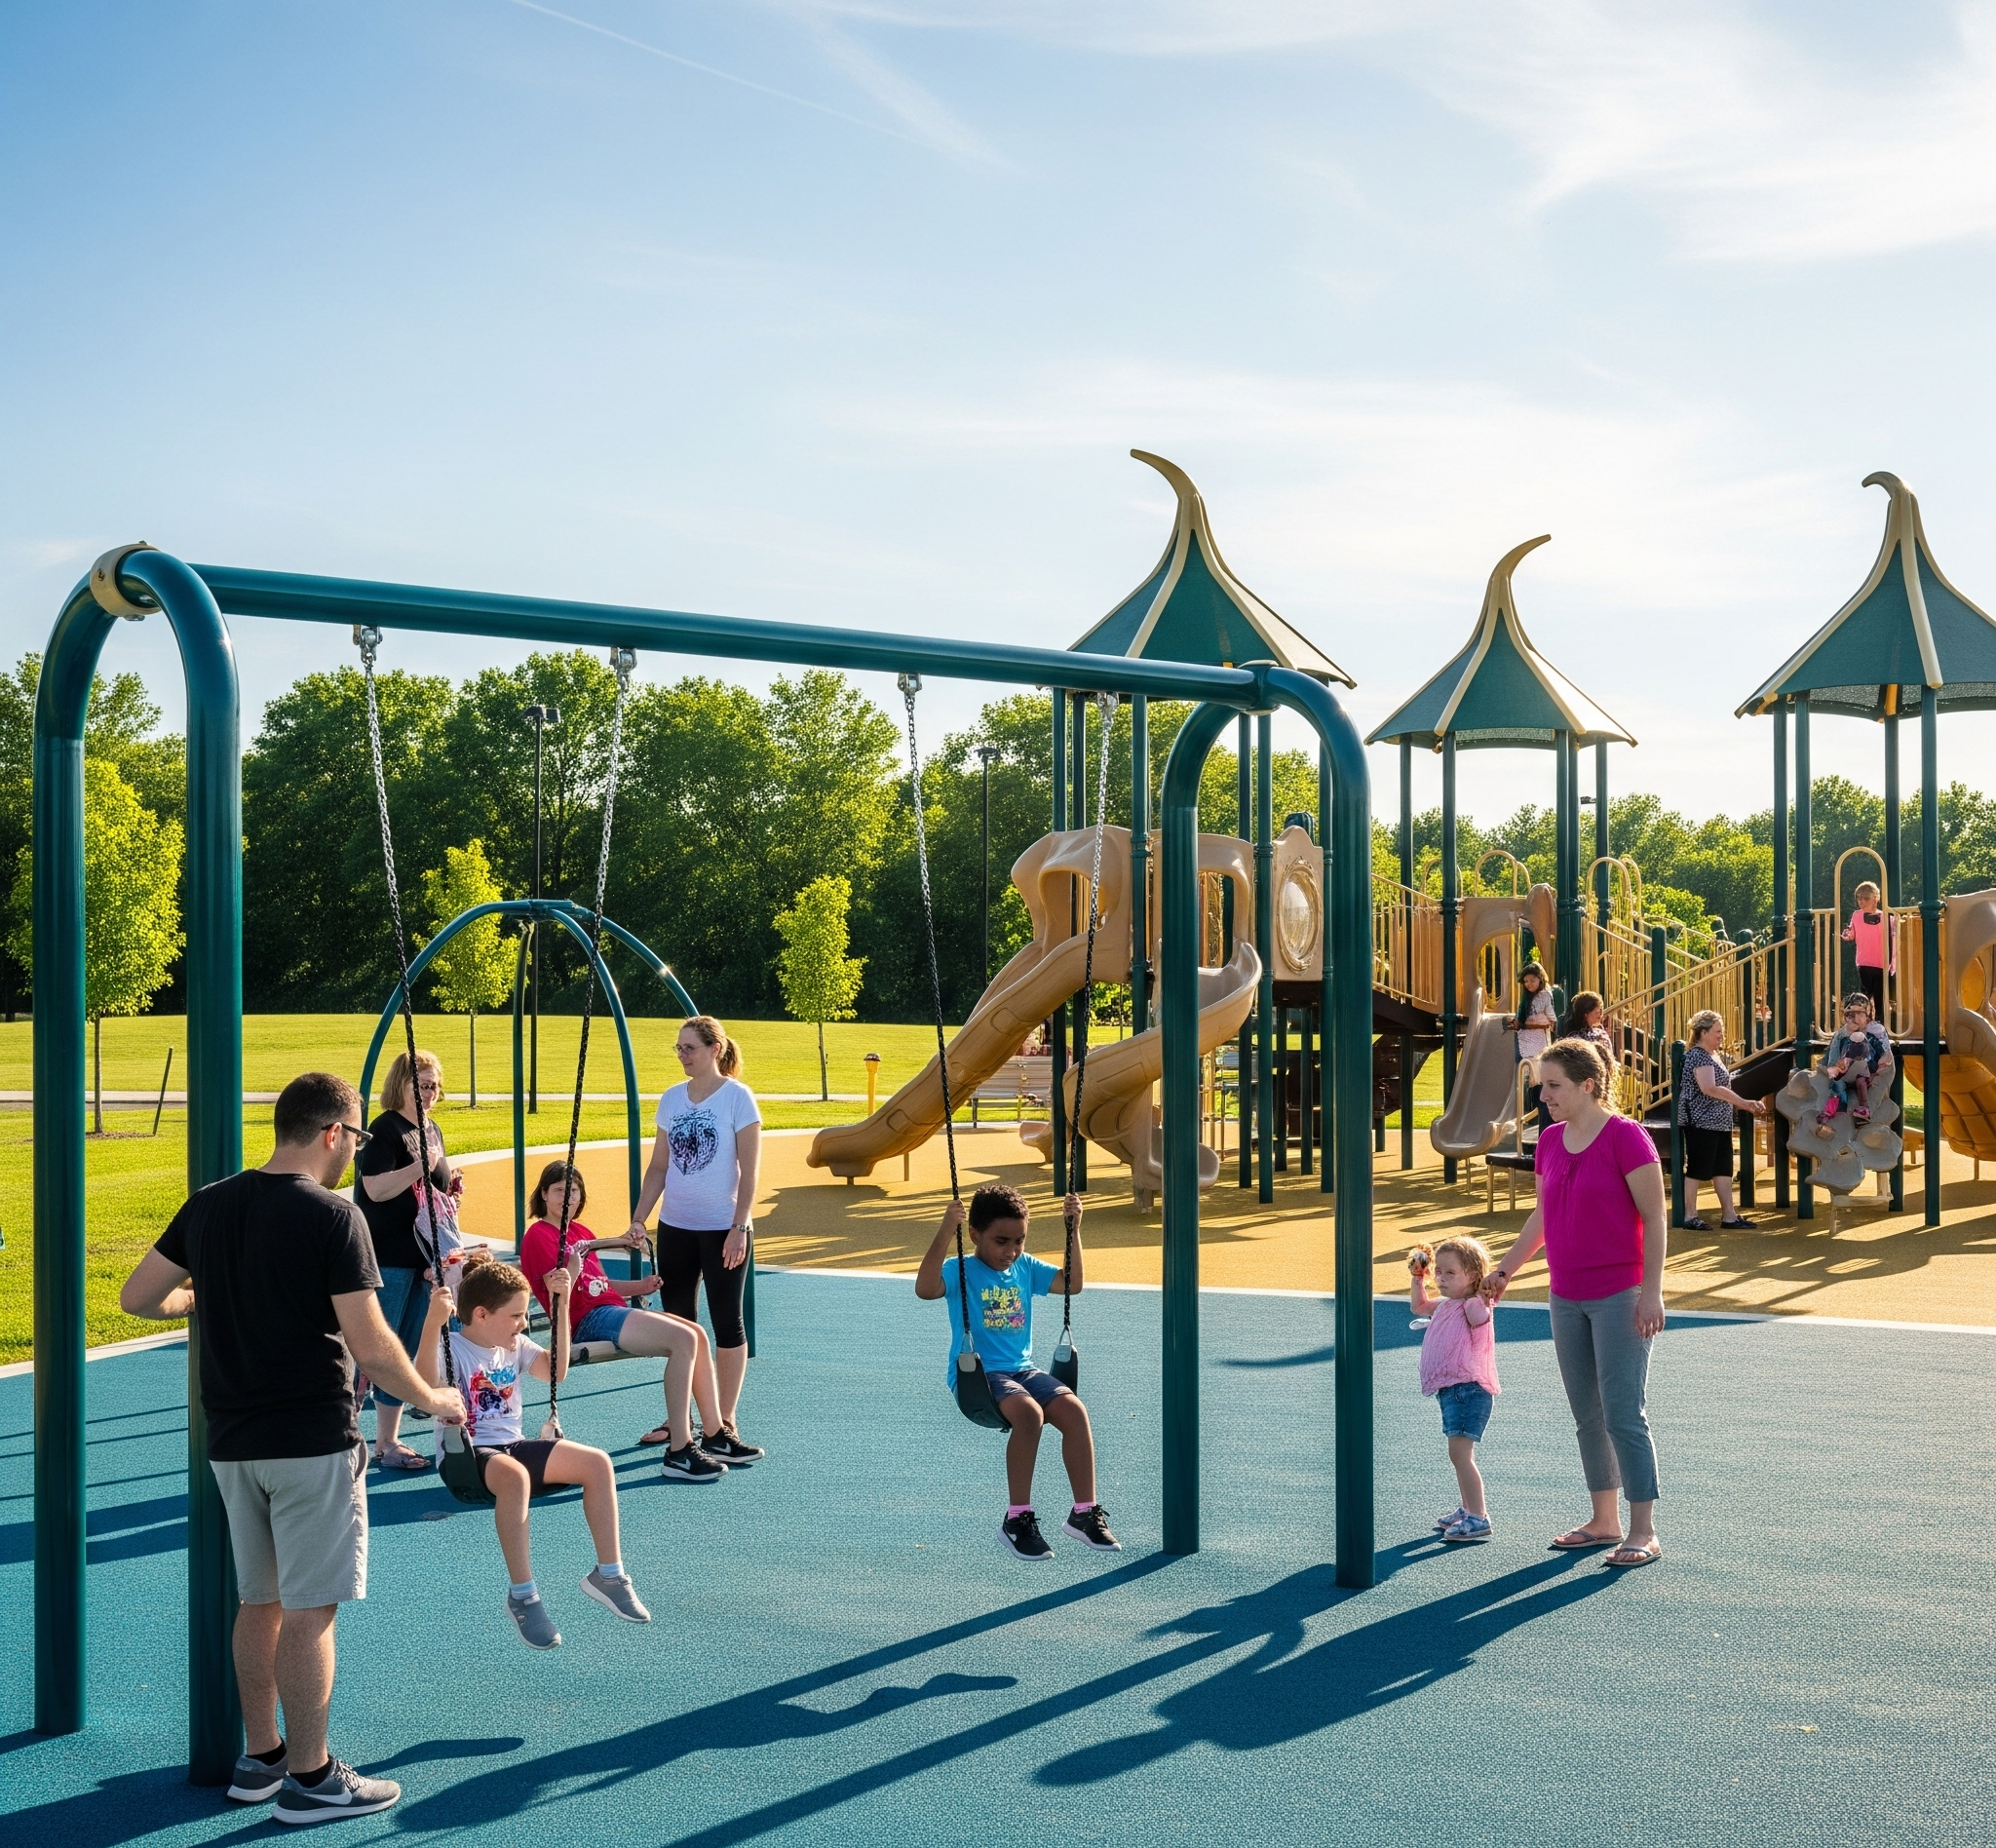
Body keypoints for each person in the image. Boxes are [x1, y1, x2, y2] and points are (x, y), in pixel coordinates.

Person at [119, 1072, 468, 1825]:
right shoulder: (333, 1216)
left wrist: (199, 1297)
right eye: (354, 1140)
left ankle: (262, 1757)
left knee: (261, 1602)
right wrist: (435, 1398)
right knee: (311, 1611)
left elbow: (138, 1296)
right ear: (333, 1134)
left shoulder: (209, 1203)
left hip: (233, 1439)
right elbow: (373, 1345)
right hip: (311, 1439)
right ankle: (312, 1780)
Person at [1484, 1038, 1669, 1569]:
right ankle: (1603, 1521)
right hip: (1564, 1296)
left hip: (1620, 1295)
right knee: (1587, 1415)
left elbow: (1655, 1219)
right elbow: (1543, 1215)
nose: (1545, 1096)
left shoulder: (1626, 1138)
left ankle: (1642, 1529)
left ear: (1588, 1085)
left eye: (1554, 1085)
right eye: (1542, 1086)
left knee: (1622, 1414)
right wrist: (1504, 1271)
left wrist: (1652, 1291)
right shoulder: (1548, 1140)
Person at [418, 1251, 652, 1649]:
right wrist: (430, 1324)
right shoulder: (451, 1345)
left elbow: (555, 1370)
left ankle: (609, 1575)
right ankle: (524, 1595)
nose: (523, 1323)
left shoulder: (516, 1346)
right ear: (480, 1315)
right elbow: (423, 1388)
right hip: (468, 1455)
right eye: (516, 1315)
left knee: (597, 1463)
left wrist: (560, 1304)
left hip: (512, 1445)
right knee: (515, 1476)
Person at [914, 1182, 1120, 1560]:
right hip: (978, 1374)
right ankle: (1017, 1519)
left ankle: (1083, 1513)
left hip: (1022, 1370)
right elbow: (925, 1289)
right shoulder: (961, 1269)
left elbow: (1071, 1284)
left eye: (1019, 1240)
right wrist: (946, 1229)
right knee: (1030, 1415)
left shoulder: (1024, 1267)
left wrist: (1073, 1230)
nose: (1011, 1251)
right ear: (974, 1234)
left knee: (1075, 1411)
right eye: (1001, 1240)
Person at [519, 1161, 746, 1481]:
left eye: (573, 1190)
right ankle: (680, 1450)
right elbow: (561, 1294)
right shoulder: (539, 1236)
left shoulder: (582, 1233)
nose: (567, 1198)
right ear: (543, 1195)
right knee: (683, 1340)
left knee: (696, 1332)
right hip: (585, 1321)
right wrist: (571, 1267)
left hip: (609, 1312)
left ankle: (715, 1435)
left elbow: (601, 1287)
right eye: (559, 1191)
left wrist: (641, 1287)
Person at [627, 1016, 763, 1460]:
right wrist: (640, 1217)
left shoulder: (738, 1099)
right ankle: (680, 1420)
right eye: (678, 1048)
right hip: (676, 1228)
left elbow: (749, 1171)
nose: (682, 1054)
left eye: (689, 1048)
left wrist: (740, 1226)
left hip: (724, 1227)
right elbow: (659, 1167)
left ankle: (723, 1423)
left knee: (727, 1323)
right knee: (680, 1327)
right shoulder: (670, 1100)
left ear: (714, 1050)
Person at [353, 1049, 457, 1472]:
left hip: (425, 1259)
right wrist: (420, 1167)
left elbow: (432, 1185)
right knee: (375, 1350)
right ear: (400, 1085)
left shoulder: (431, 1129)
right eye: (422, 1084)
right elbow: (374, 1189)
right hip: (389, 1258)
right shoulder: (385, 1130)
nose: (430, 1093)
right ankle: (342, 1432)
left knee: (406, 1350)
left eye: (435, 1085)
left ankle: (387, 1442)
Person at [1407, 1236, 1501, 1545]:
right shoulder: (1447, 1305)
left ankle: (1478, 1516)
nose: (1442, 1279)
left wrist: (1485, 1297)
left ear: (1472, 1276)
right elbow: (1419, 1305)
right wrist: (1417, 1277)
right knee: (1458, 1455)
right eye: (1439, 1272)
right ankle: (1467, 1509)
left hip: (1468, 1391)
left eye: (1451, 1273)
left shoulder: (1472, 1305)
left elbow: (1482, 1318)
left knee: (1461, 1455)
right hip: (1451, 1391)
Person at [1678, 1009, 1767, 1231]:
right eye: (1718, 1031)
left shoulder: (1713, 1055)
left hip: (1719, 1121)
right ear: (1703, 1032)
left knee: (1723, 1168)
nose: (1721, 1035)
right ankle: (1689, 1215)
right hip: (1701, 1120)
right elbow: (1709, 1087)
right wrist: (1743, 1102)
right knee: (1698, 1167)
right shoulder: (1698, 1054)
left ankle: (1729, 1215)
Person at [1822, 992, 1893, 1124]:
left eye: (1860, 1014)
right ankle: (1834, 1112)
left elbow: (1886, 1058)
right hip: (1847, 1072)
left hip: (1867, 1071)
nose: (1855, 1019)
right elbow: (1833, 1059)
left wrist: (1875, 1073)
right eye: (1850, 1015)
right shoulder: (1841, 1034)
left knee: (1862, 1083)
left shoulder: (1876, 1031)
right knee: (1837, 1087)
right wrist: (1835, 1069)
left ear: (1868, 1014)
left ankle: (1864, 1110)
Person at [1842, 882, 1895, 1022]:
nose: (1861, 902)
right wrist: (1846, 934)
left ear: (1875, 898)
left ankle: (1880, 1023)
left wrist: (1892, 963)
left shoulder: (1887, 918)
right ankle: (1863, 1022)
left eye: (1866, 898)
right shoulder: (1856, 916)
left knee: (1880, 996)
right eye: (1859, 898)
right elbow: (1851, 933)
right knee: (1865, 994)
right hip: (1864, 961)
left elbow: (1893, 940)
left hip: (1881, 963)